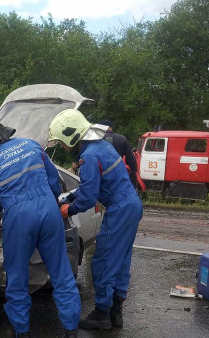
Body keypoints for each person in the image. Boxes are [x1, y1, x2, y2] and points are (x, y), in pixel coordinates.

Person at [0, 116, 80, 338]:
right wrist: (45, 200)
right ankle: (71, 331)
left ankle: (21, 332)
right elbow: (54, 183)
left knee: (17, 280)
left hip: (18, 216)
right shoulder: (31, 145)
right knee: (62, 274)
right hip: (48, 210)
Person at [48, 109, 143, 331]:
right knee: (121, 261)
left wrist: (68, 210)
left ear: (72, 135)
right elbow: (90, 186)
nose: (62, 146)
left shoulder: (89, 156)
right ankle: (115, 313)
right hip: (129, 205)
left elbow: (89, 197)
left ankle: (102, 314)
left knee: (103, 261)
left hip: (120, 209)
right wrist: (70, 197)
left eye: (62, 142)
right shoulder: (99, 147)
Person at [98, 119, 138, 186]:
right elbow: (131, 160)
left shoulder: (97, 139)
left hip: (100, 175)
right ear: (111, 127)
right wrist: (133, 177)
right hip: (117, 174)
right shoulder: (122, 139)